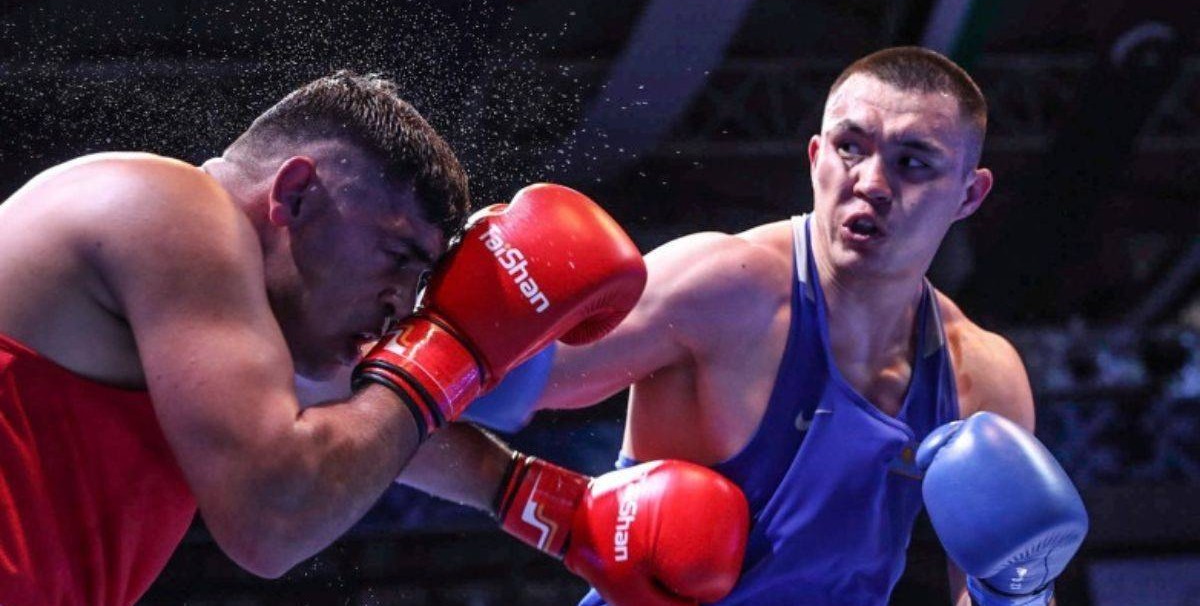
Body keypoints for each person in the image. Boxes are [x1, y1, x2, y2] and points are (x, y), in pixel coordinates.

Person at [389, 47, 1089, 605]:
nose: (872, 182)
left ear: (969, 192)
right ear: (815, 158)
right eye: (850, 147)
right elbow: (425, 391)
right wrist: (538, 501)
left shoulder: (980, 375)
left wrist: (1017, 594)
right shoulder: (722, 289)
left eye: (912, 162)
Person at [0, 71, 654, 606]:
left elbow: (365, 424)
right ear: (296, 193)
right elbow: (273, 518)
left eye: (419, 285)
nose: (400, 307)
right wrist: (452, 349)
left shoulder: (217, 334)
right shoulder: (170, 204)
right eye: (397, 256)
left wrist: (558, 509)